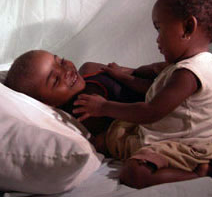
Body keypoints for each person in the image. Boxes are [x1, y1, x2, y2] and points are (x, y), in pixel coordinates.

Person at [72, 0, 212, 188]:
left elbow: (151, 111)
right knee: (101, 141)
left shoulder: (190, 72)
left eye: (159, 29)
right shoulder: (183, 66)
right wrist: (123, 76)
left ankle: (202, 174)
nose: (157, 39)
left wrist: (103, 107)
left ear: (188, 27)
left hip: (182, 146)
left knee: (134, 173)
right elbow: (155, 92)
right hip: (162, 136)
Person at [4, 50, 145, 139]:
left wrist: (125, 73)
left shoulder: (90, 68)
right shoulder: (84, 115)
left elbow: (142, 74)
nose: (66, 71)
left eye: (61, 61)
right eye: (55, 80)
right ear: (47, 104)